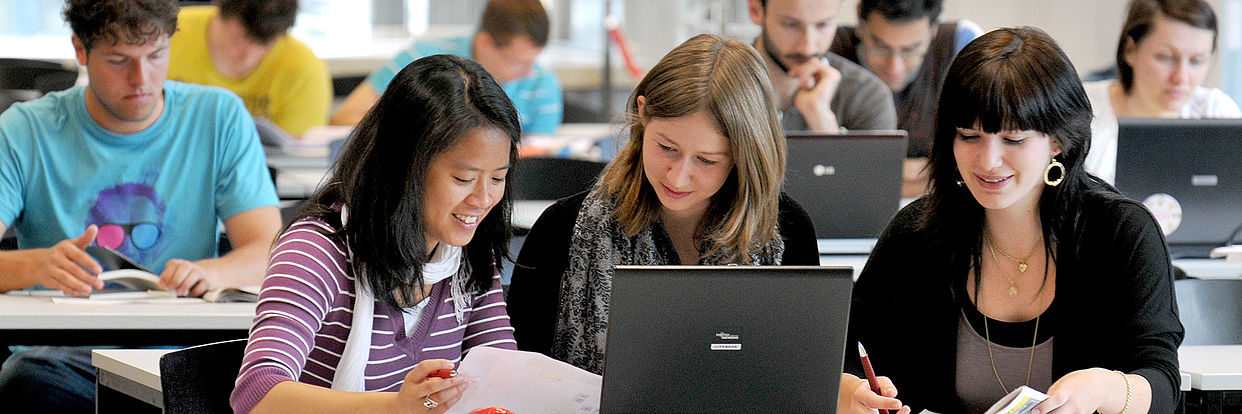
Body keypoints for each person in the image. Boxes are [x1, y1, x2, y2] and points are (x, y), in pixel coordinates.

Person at [837, 27, 1183, 414]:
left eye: (1013, 140)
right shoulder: (917, 234)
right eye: (969, 136)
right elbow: (850, 351)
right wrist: (850, 391)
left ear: (1058, 140)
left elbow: (1161, 383)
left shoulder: (1121, 232)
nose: (988, 162)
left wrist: (1103, 390)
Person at [0, 0, 282, 411]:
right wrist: (36, 265)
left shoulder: (217, 116)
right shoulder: (25, 130)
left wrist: (209, 271)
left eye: (156, 55)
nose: (141, 78)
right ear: (80, 50)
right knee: (29, 379)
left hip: (182, 350)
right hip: (65, 356)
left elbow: (269, 250)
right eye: (118, 60)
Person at [506, 33, 821, 374]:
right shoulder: (560, 230)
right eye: (666, 148)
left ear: (743, 158)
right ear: (642, 114)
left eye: (706, 160)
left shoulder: (789, 230)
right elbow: (519, 374)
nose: (677, 177)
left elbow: (811, 369)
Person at [230, 54, 519, 414]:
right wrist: (394, 408)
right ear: (405, 167)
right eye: (463, 179)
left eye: (497, 178)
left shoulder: (466, 255)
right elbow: (257, 394)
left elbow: (505, 381)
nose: (483, 199)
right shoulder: (317, 251)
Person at [331, 0, 562, 135]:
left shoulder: (544, 83)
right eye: (517, 61)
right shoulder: (421, 59)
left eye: (534, 60)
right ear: (485, 42)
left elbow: (538, 156)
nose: (529, 71)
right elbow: (344, 117)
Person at [829, 0, 982, 197]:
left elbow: (976, 168)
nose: (895, 67)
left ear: (933, 30)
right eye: (880, 46)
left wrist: (870, 173)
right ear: (860, 19)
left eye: (910, 49)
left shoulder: (959, 44)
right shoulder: (827, 51)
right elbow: (822, 175)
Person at [1082, 0, 1240, 184]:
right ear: (1130, 49)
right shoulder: (1081, 109)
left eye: (1197, 61)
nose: (1181, 77)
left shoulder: (1217, 112)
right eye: (1166, 57)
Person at [169, 0, 331, 137]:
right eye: (237, 41)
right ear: (218, 15)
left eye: (263, 45)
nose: (248, 56)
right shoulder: (169, 33)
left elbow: (299, 156)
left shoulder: (304, 69)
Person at [746, 0, 897, 133]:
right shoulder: (723, 81)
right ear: (755, 10)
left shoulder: (867, 96)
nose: (808, 47)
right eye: (791, 24)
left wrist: (822, 120)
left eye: (823, 25)